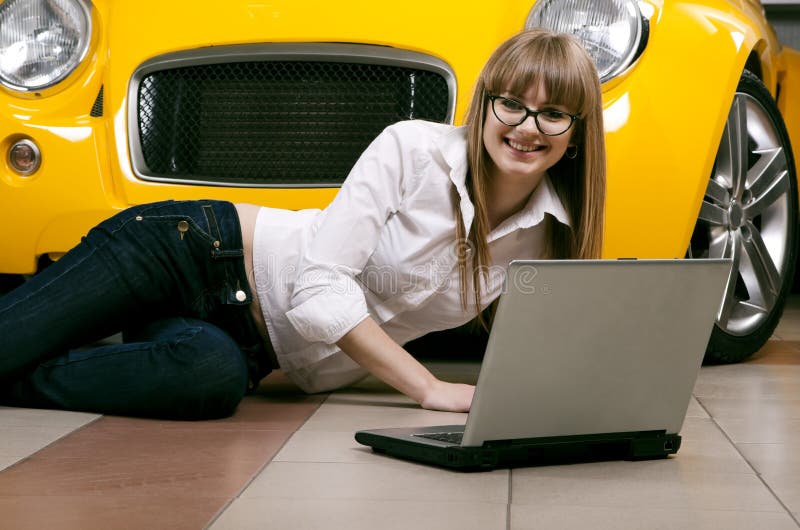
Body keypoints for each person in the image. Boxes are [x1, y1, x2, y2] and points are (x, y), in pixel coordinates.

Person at [0, 28, 605, 420]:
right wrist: (428, 389)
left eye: (553, 112)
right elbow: (318, 293)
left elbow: (549, 348)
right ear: (485, 104)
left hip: (248, 346)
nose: (528, 127)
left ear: (576, 132)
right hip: (187, 248)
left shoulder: (552, 234)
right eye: (512, 104)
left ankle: (19, 373)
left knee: (212, 379)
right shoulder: (414, 150)